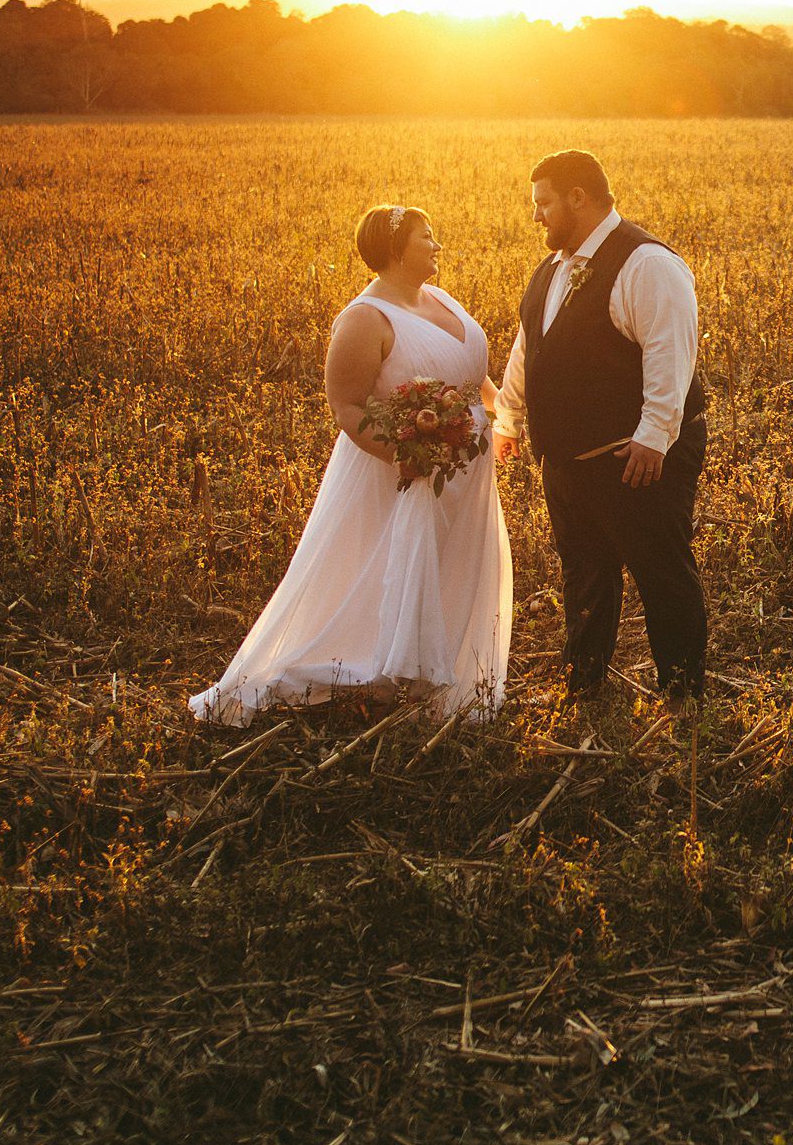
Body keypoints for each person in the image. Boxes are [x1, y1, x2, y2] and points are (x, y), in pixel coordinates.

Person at [190, 205, 510, 724]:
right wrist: (409, 457)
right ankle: (375, 674)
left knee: (453, 562)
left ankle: (442, 682)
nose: (437, 245)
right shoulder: (365, 318)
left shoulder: (442, 298)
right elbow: (346, 404)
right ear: (394, 251)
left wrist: (508, 412)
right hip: (402, 471)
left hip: (467, 470)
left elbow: (472, 374)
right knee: (381, 569)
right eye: (426, 236)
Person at [492, 150, 709, 731]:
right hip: (568, 457)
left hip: (636, 456)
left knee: (660, 568)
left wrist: (653, 437)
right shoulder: (552, 268)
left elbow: (671, 352)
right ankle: (583, 681)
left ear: (579, 198)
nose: (536, 217)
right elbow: (530, 347)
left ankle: (682, 691)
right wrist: (508, 419)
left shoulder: (646, 264)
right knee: (584, 569)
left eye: (543, 203)